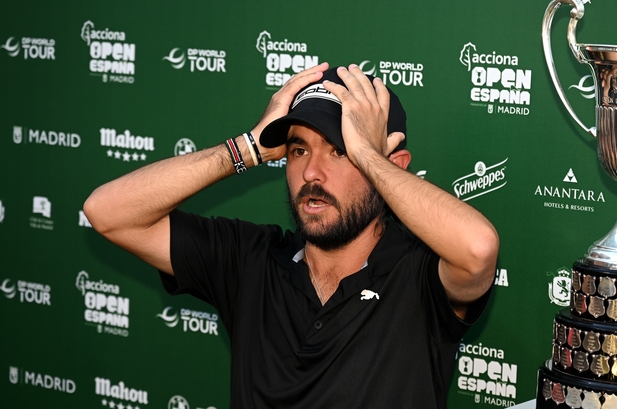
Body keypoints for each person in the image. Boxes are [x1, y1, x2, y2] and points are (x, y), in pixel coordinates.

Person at [83, 63, 499, 409]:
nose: (312, 173)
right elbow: (107, 212)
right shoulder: (252, 260)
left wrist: (368, 155)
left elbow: (478, 249)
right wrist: (247, 148)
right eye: (299, 150)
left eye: (340, 151)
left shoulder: (421, 273)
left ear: (393, 166)